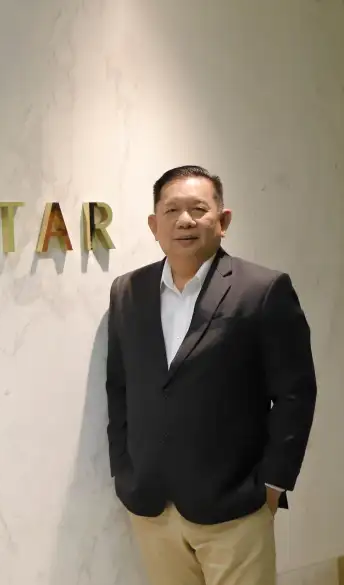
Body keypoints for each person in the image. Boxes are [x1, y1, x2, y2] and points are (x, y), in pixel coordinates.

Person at [104, 165, 318, 585]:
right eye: (171, 210)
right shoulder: (127, 291)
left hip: (234, 506)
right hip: (152, 506)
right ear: (154, 224)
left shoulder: (262, 290)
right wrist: (123, 469)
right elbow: (119, 386)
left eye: (198, 209)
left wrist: (272, 485)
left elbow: (295, 393)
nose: (184, 220)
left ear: (223, 221)